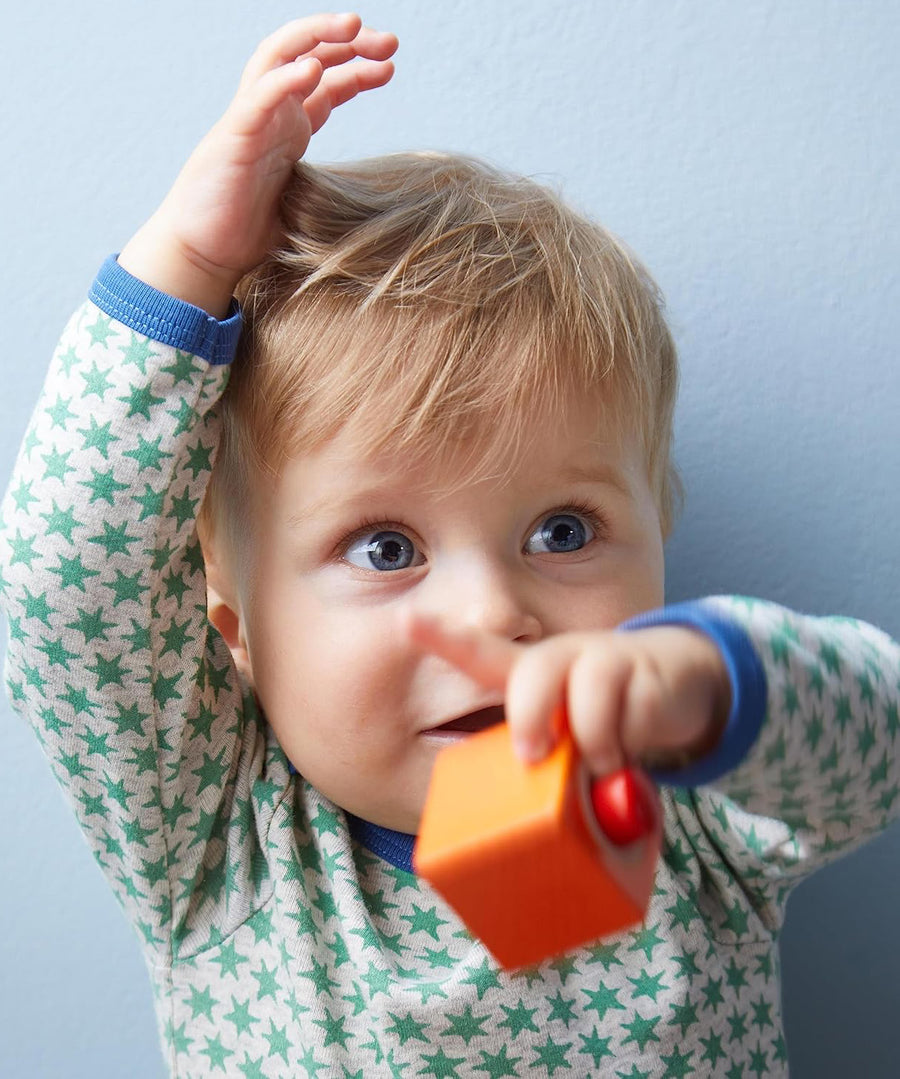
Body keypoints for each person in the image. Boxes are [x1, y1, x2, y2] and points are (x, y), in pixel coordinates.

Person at [2, 13, 898, 1077]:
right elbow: (66, 586)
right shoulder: (217, 838)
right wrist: (188, 260)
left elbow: (876, 744)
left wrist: (708, 682)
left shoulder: (692, 809)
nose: (491, 613)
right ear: (235, 633)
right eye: (384, 547)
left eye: (562, 531)